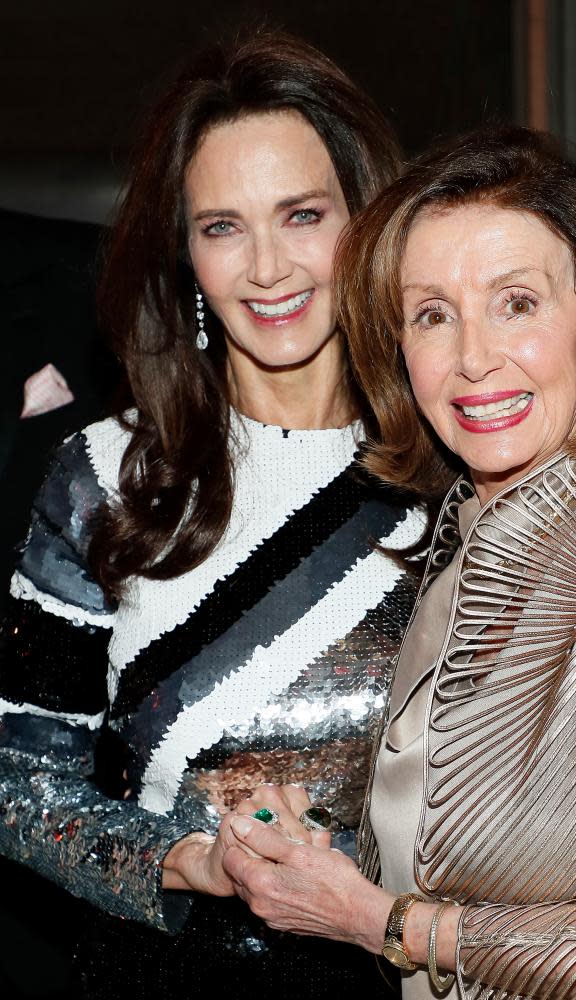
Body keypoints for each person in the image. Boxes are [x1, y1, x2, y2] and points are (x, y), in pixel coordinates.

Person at [219, 126, 576, 999]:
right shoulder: (459, 540)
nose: (472, 357)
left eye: (516, 303)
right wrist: (312, 856)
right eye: (432, 314)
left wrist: (376, 922)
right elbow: (464, 850)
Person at [0, 29, 424, 1000]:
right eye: (223, 226)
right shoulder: (104, 474)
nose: (267, 267)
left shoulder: (457, 468)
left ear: (370, 221)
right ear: (187, 253)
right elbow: (17, 780)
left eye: (303, 214)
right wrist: (191, 858)